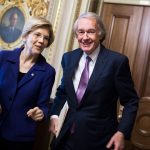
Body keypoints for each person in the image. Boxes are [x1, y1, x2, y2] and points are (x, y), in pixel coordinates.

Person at [49, 12, 139, 150]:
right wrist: (54, 115)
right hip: (65, 137)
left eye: (91, 32)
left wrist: (121, 132)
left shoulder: (117, 62)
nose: (85, 37)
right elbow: (63, 91)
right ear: (76, 35)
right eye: (81, 32)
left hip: (99, 140)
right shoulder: (68, 58)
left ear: (100, 34)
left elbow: (131, 101)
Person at [0, 16, 55, 150]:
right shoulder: (3, 57)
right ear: (25, 35)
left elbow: (43, 105)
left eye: (46, 38)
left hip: (20, 138)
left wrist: (41, 113)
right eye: (37, 34)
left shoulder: (48, 72)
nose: (41, 40)